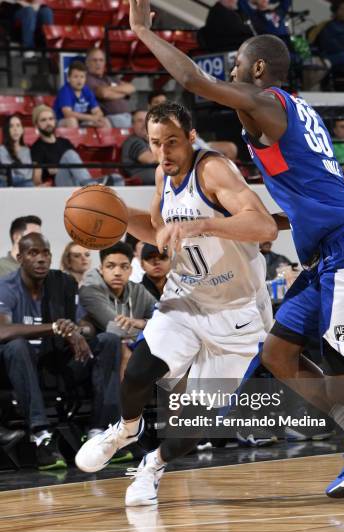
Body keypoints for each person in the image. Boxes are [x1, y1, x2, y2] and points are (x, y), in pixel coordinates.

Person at [121, 0, 344, 500]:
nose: (228, 75)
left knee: (343, 376)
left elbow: (190, 80)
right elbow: (308, 191)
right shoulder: (290, 112)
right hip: (326, 254)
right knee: (277, 353)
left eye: (233, 66)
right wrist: (274, 220)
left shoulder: (266, 102)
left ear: (256, 69)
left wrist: (143, 33)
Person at [75, 101, 277, 506]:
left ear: (190, 137)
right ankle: (126, 429)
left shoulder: (214, 170)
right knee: (139, 372)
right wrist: (111, 216)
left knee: (193, 420)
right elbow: (155, 230)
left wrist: (202, 223)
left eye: (171, 143)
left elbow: (264, 225)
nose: (164, 153)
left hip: (237, 310)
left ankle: (152, 465)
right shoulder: (161, 174)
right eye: (155, 144)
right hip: (186, 294)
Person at [0, 232, 124, 467]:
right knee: (17, 346)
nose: (41, 259)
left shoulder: (62, 283)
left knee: (108, 341)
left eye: (45, 253)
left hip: (55, 363)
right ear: (19, 258)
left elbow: (85, 323)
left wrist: (78, 331)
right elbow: (2, 331)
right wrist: (55, 327)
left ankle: (100, 432)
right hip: (19, 367)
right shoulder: (6, 287)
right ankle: (41, 436)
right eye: (33, 253)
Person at [79, 241, 156, 385]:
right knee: (121, 346)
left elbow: (165, 320)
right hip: (94, 355)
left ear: (131, 270)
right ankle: (121, 406)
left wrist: (143, 323)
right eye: (110, 266)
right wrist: (149, 329)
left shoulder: (138, 291)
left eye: (124, 267)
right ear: (101, 269)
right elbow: (115, 328)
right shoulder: (90, 291)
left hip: (133, 347)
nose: (117, 272)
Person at [31, 105, 123, 187]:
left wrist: (57, 168)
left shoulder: (65, 142)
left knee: (117, 179)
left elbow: (78, 168)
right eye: (43, 120)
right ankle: (91, 187)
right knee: (69, 154)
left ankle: (91, 186)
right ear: (36, 124)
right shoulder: (37, 148)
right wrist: (48, 173)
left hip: (76, 182)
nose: (48, 123)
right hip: (59, 184)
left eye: (51, 119)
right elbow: (36, 179)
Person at [148, 91, 238, 161]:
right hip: (180, 146)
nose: (160, 105)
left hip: (195, 142)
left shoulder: (173, 116)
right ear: (149, 106)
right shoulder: (148, 121)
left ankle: (227, 174)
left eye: (163, 102)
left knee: (230, 148)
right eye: (157, 102)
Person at [86, 48, 135, 128]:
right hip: (109, 119)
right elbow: (103, 93)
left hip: (127, 117)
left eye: (101, 60)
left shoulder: (111, 78)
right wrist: (123, 93)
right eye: (94, 60)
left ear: (104, 63)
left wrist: (109, 89)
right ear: (87, 63)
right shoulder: (87, 79)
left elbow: (131, 88)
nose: (98, 63)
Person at [53, 60, 110, 129]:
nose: (79, 80)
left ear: (85, 79)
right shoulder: (65, 91)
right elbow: (68, 114)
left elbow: (98, 111)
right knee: (72, 121)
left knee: (104, 121)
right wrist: (91, 118)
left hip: (81, 121)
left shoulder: (86, 90)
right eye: (76, 77)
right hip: (60, 121)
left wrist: (96, 117)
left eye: (82, 77)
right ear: (68, 78)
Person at [121, 109, 157, 184]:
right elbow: (149, 159)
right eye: (140, 121)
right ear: (133, 125)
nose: (144, 124)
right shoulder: (134, 141)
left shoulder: (149, 141)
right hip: (144, 183)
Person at [0, 115, 34, 187]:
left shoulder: (26, 150)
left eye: (18, 125)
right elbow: (9, 172)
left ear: (22, 130)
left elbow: (27, 174)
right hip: (6, 183)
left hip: (24, 184)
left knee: (29, 184)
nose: (15, 129)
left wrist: (17, 172)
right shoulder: (2, 149)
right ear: (7, 130)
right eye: (11, 126)